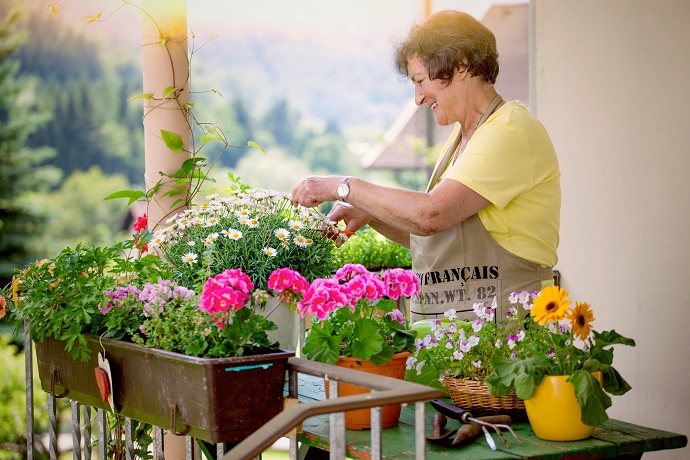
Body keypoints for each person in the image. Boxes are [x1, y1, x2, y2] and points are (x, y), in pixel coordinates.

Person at [291, 10, 560, 322]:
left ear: (460, 67)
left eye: (420, 80)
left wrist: (343, 187)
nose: (418, 98)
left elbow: (431, 215)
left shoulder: (509, 131)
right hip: (457, 348)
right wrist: (368, 213)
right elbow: (438, 240)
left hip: (509, 348)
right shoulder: (464, 138)